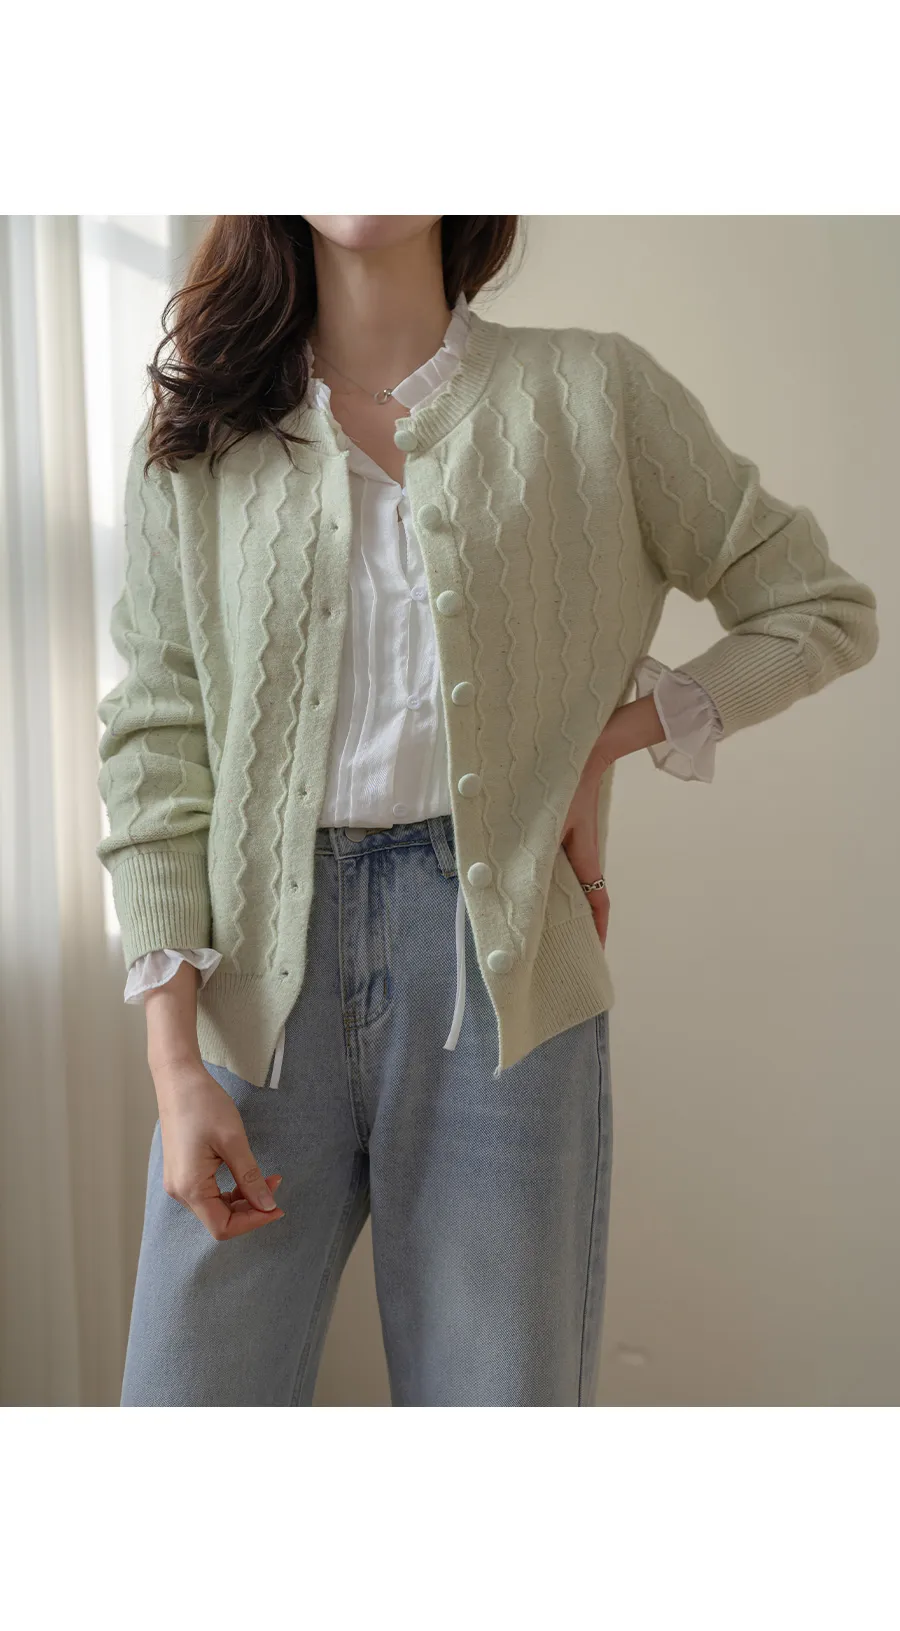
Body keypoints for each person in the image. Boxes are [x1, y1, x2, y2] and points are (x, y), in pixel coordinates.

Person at [96, 215, 879, 1407]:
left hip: (497, 985)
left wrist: (598, 744)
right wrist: (171, 1060)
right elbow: (158, 738)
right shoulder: (202, 431)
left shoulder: (594, 396)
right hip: (252, 993)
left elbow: (818, 606)